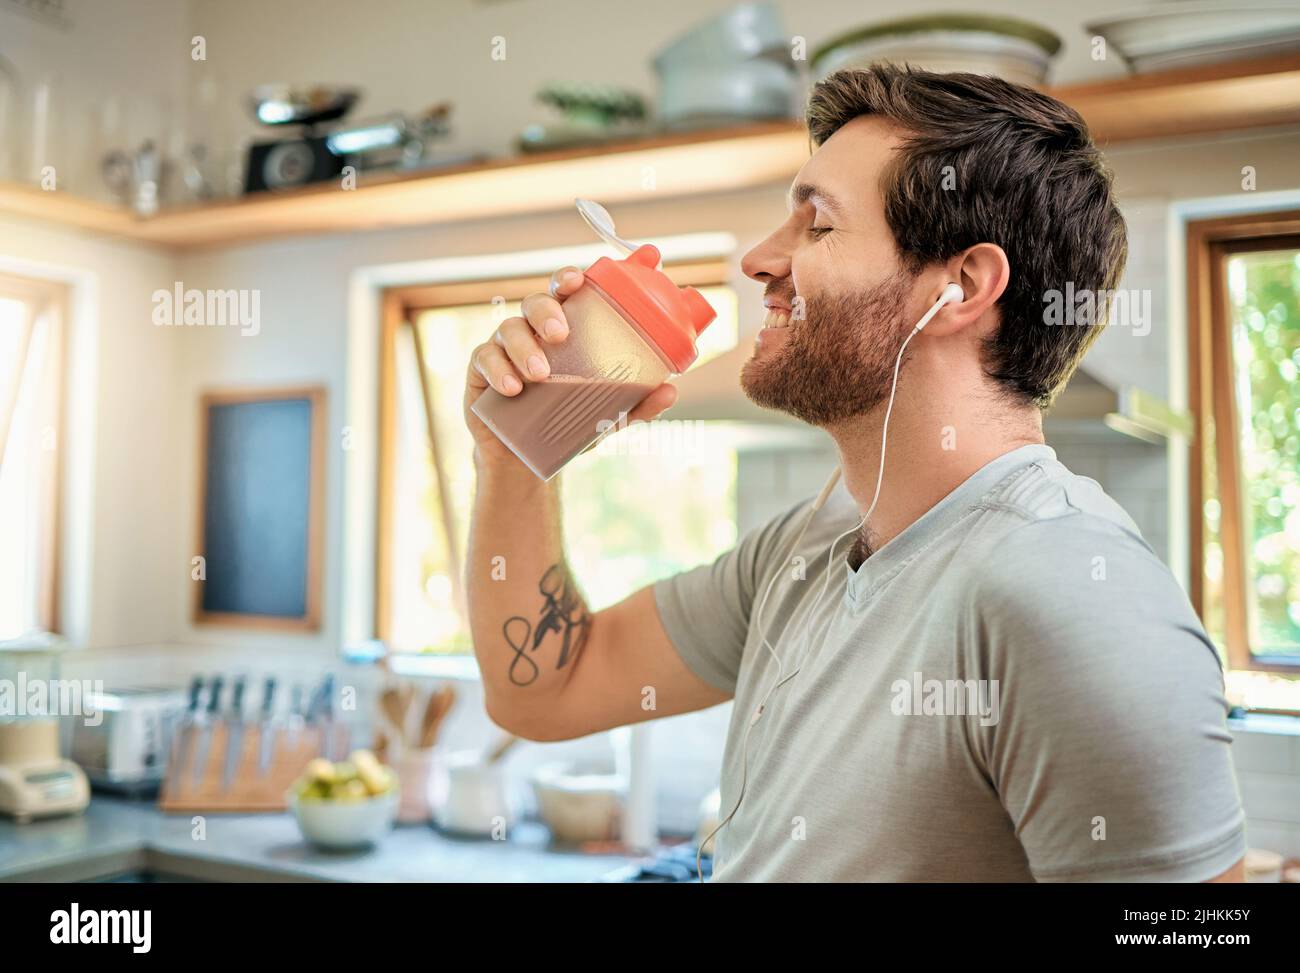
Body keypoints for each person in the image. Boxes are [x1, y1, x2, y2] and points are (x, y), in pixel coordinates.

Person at [461, 64, 1245, 882]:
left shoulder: (1073, 593)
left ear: (962, 288)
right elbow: (544, 691)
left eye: (817, 226)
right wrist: (513, 456)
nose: (760, 261)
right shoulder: (802, 554)